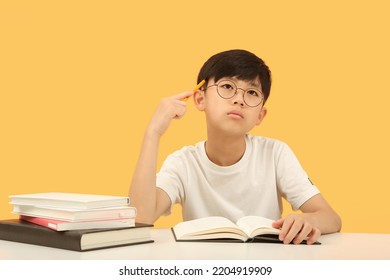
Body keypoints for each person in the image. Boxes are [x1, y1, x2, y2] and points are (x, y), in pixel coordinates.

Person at [129, 49, 341, 245]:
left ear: (260, 115)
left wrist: (306, 220)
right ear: (200, 99)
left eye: (252, 93)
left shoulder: (275, 153)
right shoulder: (183, 163)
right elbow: (141, 218)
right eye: (228, 87)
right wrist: (152, 133)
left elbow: (331, 219)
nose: (239, 99)